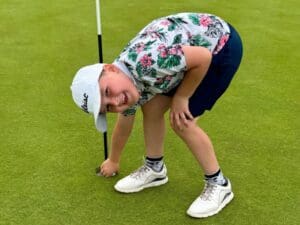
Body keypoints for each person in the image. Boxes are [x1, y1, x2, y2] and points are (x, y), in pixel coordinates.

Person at [71, 12, 243, 218]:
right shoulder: (126, 82)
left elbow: (202, 57)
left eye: (107, 92)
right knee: (151, 106)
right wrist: (114, 160)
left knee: (182, 121)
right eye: (107, 108)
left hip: (220, 48)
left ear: (110, 69)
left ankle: (219, 184)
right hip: (191, 52)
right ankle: (155, 169)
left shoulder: (149, 62)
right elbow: (125, 122)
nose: (115, 102)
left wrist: (182, 97)